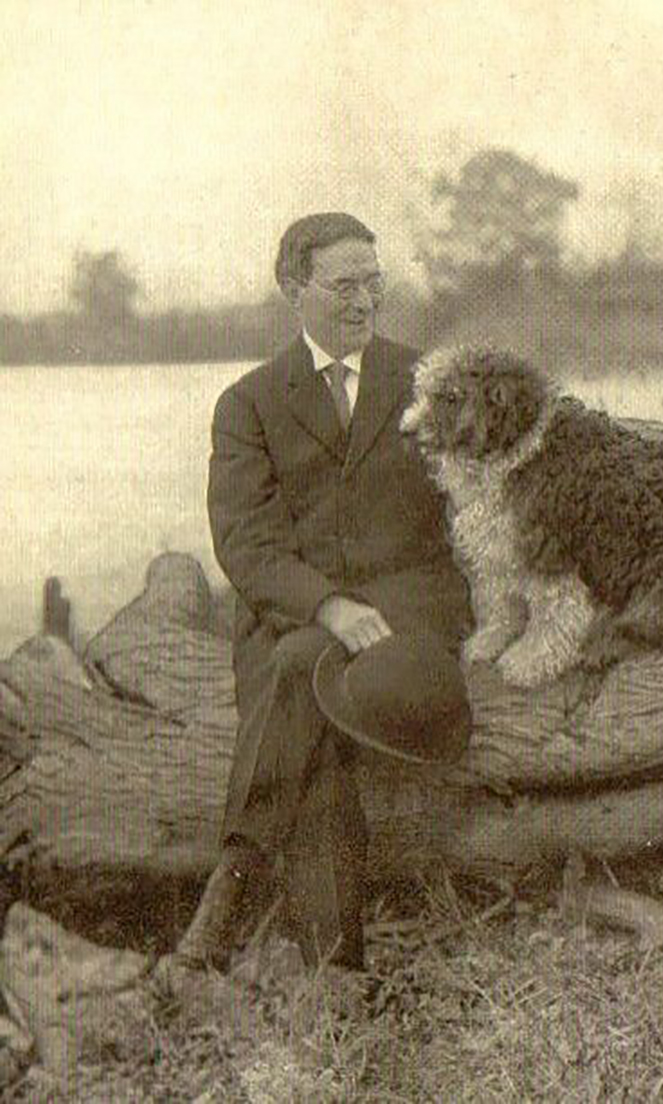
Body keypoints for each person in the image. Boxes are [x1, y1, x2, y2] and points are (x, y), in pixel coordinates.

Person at [154, 212, 472, 992]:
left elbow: (475, 509)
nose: (365, 302)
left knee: (298, 673)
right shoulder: (249, 403)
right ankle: (341, 978)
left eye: (375, 283)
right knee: (309, 697)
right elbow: (246, 545)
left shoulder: (427, 381)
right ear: (294, 290)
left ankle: (223, 906)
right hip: (298, 622)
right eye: (344, 286)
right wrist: (327, 606)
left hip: (409, 626)